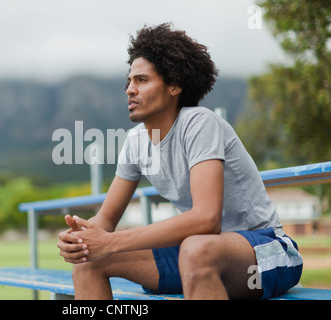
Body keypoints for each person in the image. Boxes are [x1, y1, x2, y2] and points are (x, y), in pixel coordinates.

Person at [57, 22, 303, 300]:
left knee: (197, 248)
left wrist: (112, 242)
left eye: (142, 80)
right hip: (197, 256)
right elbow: (106, 219)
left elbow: (206, 219)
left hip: (267, 252)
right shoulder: (135, 141)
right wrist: (81, 238)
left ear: (174, 85)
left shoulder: (199, 123)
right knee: (89, 260)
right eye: (129, 81)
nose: (130, 89)